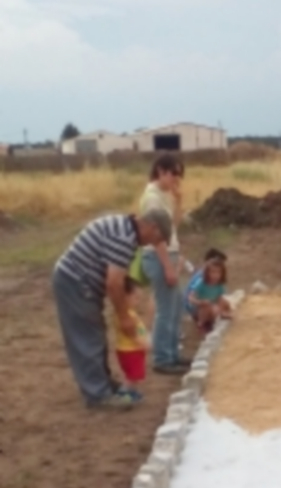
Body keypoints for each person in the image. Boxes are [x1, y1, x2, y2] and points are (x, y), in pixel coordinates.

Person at [52, 209, 172, 409]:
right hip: (75, 281)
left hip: (80, 281)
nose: (153, 243)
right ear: (152, 227)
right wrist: (124, 316)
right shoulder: (124, 237)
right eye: (157, 237)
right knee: (86, 336)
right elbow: (114, 283)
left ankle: (102, 383)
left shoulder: (125, 230)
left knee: (95, 332)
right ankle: (97, 394)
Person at [140, 154, 190, 375]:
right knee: (165, 308)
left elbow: (172, 227)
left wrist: (178, 200)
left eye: (179, 175)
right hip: (158, 255)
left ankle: (172, 354)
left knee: (175, 306)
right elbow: (157, 236)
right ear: (161, 171)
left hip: (168, 254)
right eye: (174, 174)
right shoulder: (152, 197)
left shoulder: (163, 195)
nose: (176, 180)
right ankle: (162, 358)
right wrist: (168, 266)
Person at [114, 276, 150, 402]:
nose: (138, 301)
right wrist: (143, 344)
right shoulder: (126, 316)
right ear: (125, 297)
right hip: (130, 350)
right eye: (135, 298)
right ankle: (124, 393)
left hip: (132, 350)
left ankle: (132, 392)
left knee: (134, 375)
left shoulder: (130, 313)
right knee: (132, 376)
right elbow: (131, 334)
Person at [187, 254, 233, 333]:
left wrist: (219, 306)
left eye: (218, 273)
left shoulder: (219, 285)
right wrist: (200, 302)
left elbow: (220, 297)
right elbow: (190, 297)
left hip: (213, 305)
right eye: (213, 272)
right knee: (206, 307)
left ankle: (221, 314)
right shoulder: (201, 283)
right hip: (201, 307)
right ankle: (201, 324)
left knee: (225, 302)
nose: (215, 275)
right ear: (207, 273)